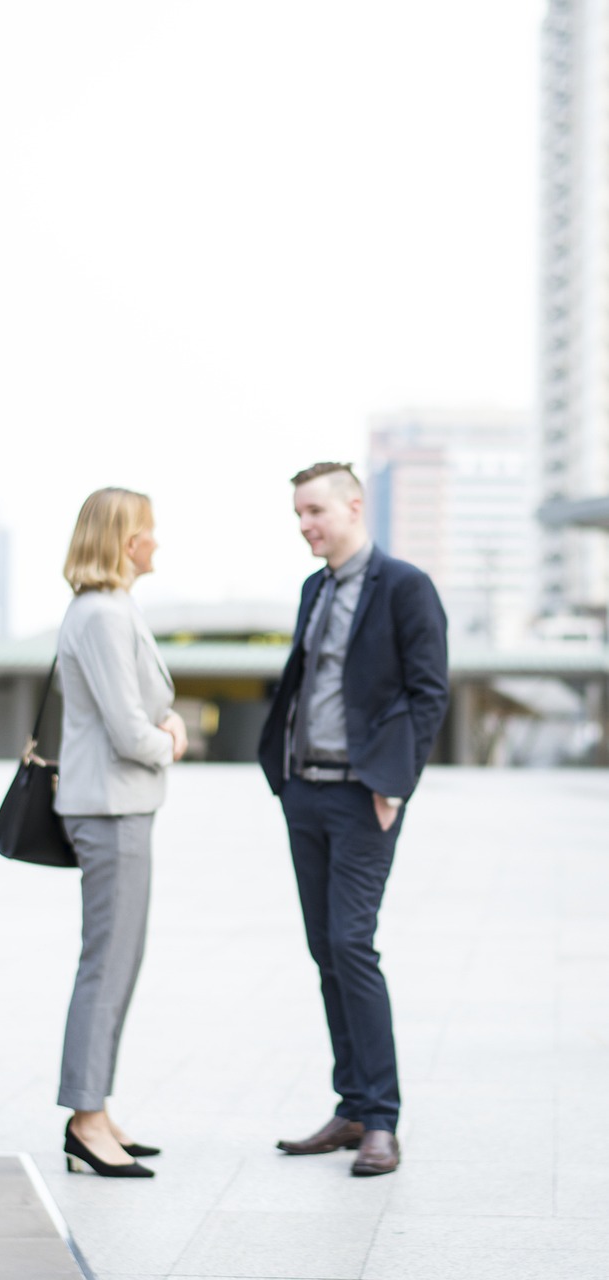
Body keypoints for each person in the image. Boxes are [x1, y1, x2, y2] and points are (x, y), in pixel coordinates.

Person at [258, 462, 448, 1177]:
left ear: (352, 506)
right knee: (324, 949)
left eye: (314, 511)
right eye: (297, 515)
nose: (305, 525)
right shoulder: (315, 588)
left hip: (362, 795)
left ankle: (381, 1121)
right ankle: (350, 1104)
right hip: (303, 792)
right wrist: (279, 774)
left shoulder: (404, 586)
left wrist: (394, 782)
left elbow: (429, 693)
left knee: (351, 943)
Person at [52, 487, 188, 1178]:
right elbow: (129, 729)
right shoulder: (104, 615)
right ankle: (84, 1119)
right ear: (123, 539)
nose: (156, 539)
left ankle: (96, 1111)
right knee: (107, 966)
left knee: (116, 963)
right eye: (148, 529)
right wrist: (172, 739)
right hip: (110, 807)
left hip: (116, 806)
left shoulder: (108, 610)